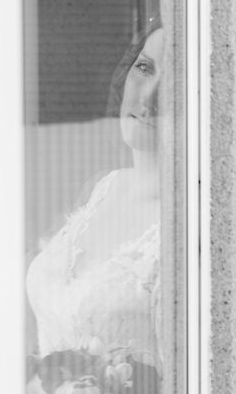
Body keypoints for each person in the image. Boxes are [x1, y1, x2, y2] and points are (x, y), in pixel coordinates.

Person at [26, 21, 164, 394]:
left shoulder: (182, 225)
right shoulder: (101, 187)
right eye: (145, 67)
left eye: (175, 84)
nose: (148, 97)